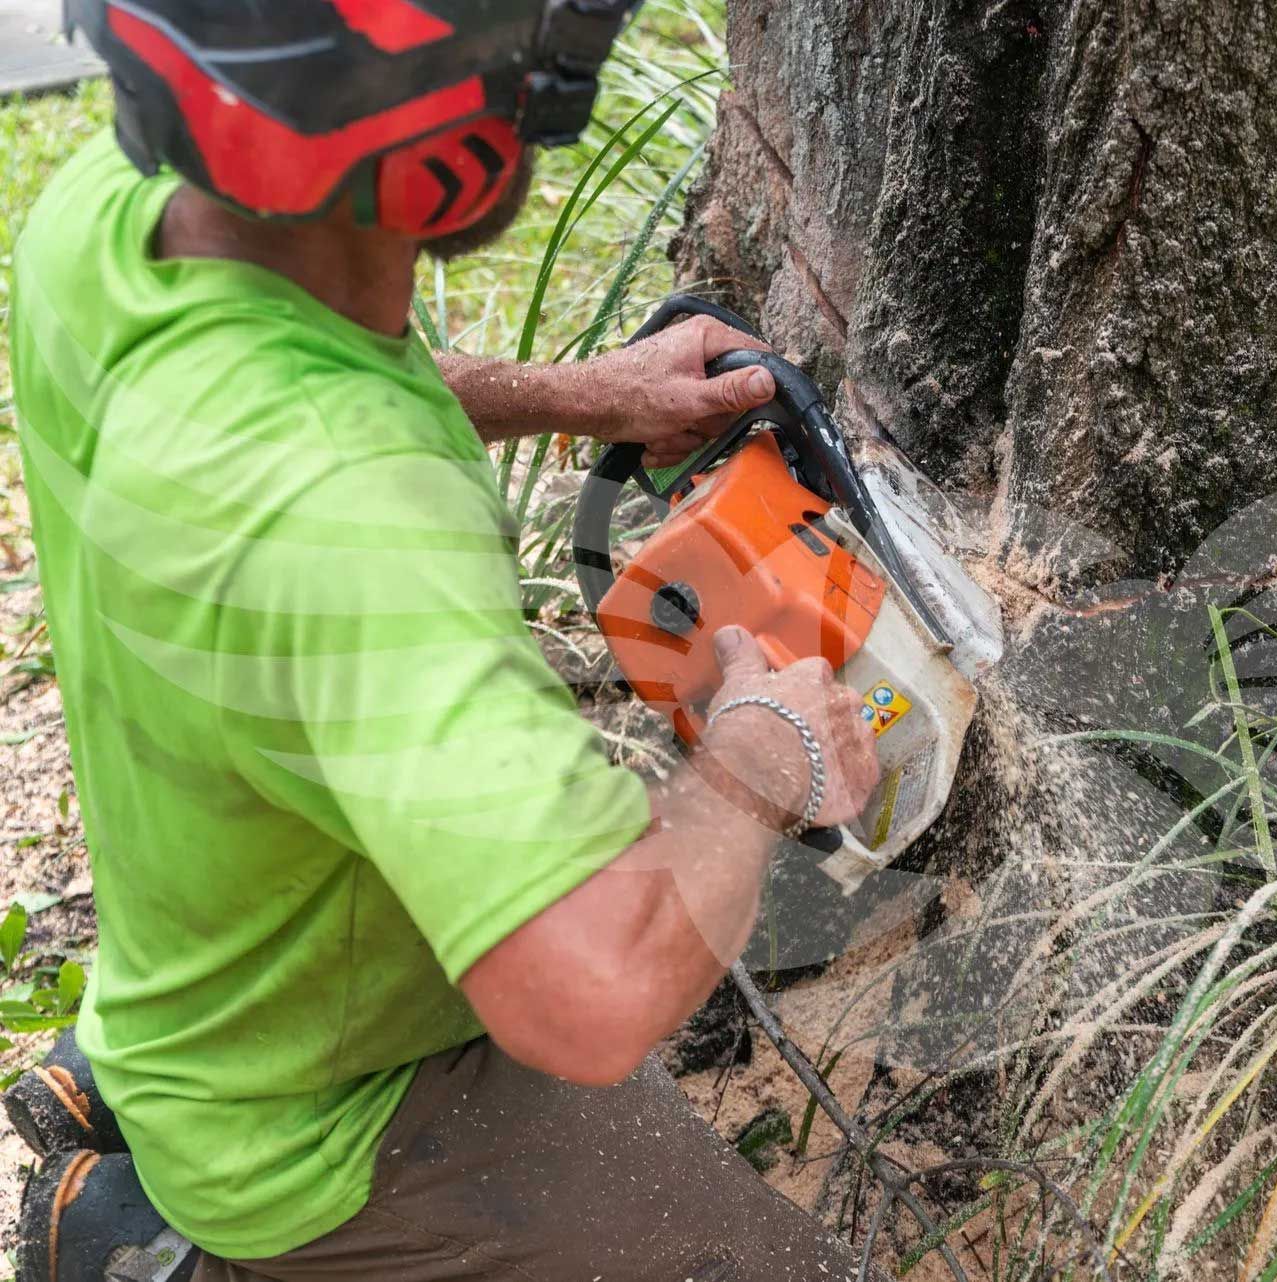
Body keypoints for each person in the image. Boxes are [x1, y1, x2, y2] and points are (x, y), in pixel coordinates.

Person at [6, 2, 880, 1278]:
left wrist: (592, 391)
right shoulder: (349, 520)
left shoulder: (103, 217)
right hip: (332, 1121)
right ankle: (172, 1255)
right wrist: (761, 754)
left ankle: (145, 1116)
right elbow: (588, 995)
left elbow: (320, 377)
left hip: (229, 966)